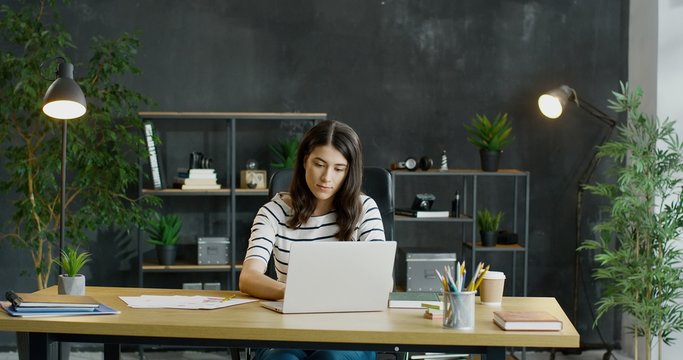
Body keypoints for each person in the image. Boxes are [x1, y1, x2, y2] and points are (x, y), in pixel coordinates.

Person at [240, 120, 385, 360]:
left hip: (349, 330)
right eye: (319, 164)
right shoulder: (273, 212)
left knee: (330, 358)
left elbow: (382, 281)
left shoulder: (364, 209)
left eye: (339, 168)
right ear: (305, 160)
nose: (327, 177)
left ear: (350, 171)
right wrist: (295, 294)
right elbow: (248, 277)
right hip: (288, 328)